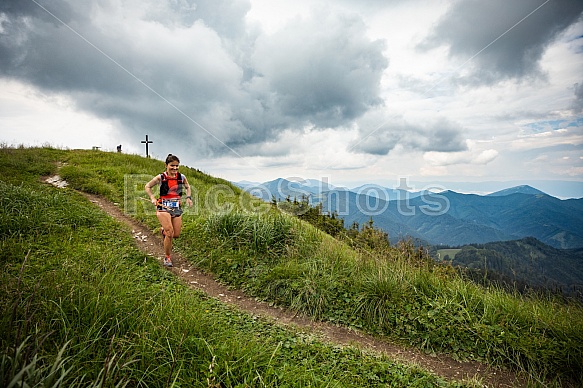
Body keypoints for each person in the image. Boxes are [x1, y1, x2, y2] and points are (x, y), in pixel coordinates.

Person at [145, 154, 193, 267]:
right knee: (170, 233)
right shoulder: (161, 177)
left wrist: (188, 198)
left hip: (176, 207)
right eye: (172, 166)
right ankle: (167, 257)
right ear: (166, 165)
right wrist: (152, 198)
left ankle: (163, 231)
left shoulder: (181, 177)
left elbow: (188, 187)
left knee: (176, 234)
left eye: (177, 166)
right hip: (162, 206)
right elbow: (147, 186)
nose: (175, 168)